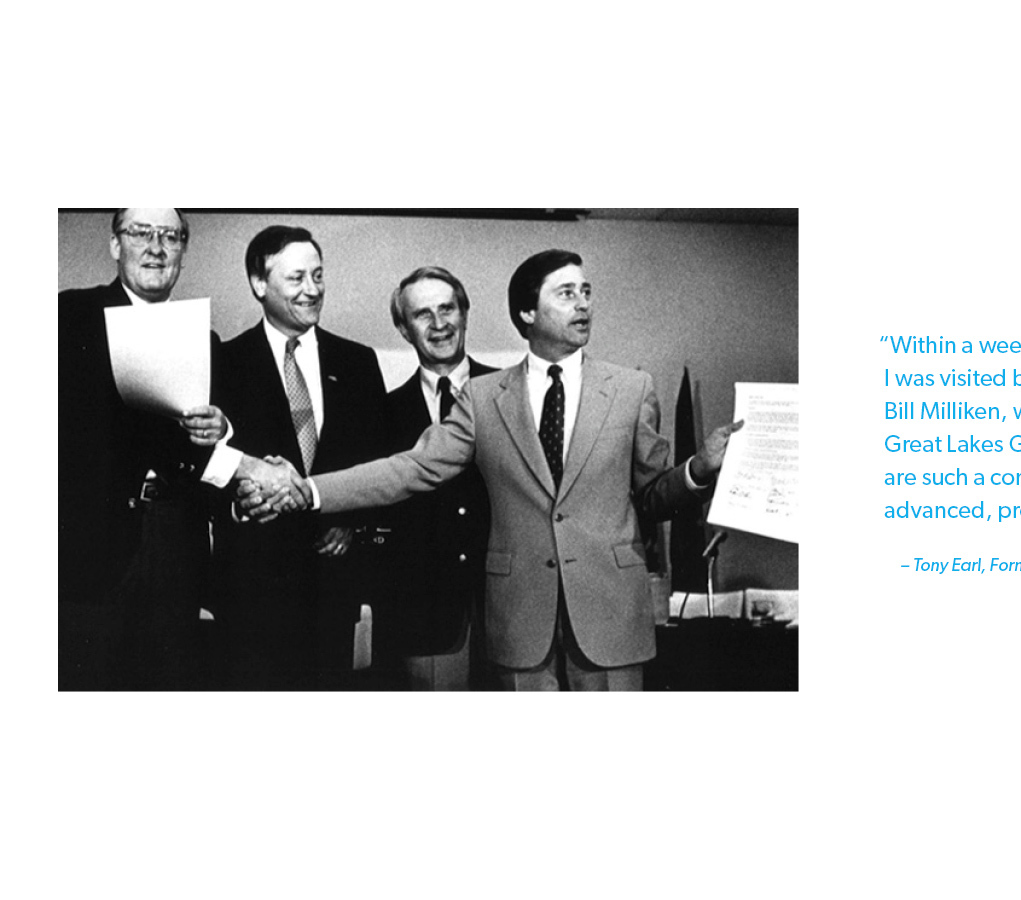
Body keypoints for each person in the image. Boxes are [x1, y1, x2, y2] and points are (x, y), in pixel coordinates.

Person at [243, 250, 741, 691]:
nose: (583, 304)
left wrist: (699, 468)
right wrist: (306, 490)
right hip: (521, 627)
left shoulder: (633, 389)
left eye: (586, 292)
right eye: (566, 293)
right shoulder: (483, 399)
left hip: (611, 619)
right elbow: (411, 468)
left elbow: (653, 495)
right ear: (527, 312)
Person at [59, 208, 237, 690]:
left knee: (169, 684)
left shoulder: (207, 342)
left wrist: (221, 428)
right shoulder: (68, 316)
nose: (156, 248)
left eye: (170, 237)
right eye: (141, 233)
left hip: (178, 541)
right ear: (115, 245)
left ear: (183, 252)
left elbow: (218, 447)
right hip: (89, 542)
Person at [213, 226, 391, 690]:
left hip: (333, 584)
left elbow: (381, 463)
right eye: (296, 278)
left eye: (318, 275)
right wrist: (239, 506)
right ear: (259, 284)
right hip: (252, 587)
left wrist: (350, 519)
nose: (312, 290)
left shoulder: (358, 363)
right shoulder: (224, 364)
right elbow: (202, 464)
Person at [380, 267, 496, 690]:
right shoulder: (382, 412)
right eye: (422, 314)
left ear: (464, 313)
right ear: (403, 329)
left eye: (447, 309)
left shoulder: (512, 394)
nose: (439, 323)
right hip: (424, 620)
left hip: (509, 612)